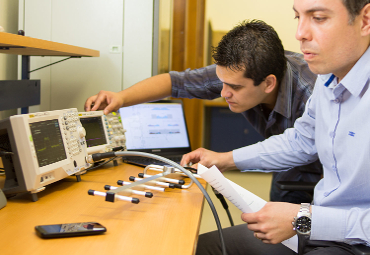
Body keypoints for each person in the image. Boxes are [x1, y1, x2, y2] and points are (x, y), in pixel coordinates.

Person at [194, 0, 370, 254]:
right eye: (298, 17)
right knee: (203, 248)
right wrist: (224, 159)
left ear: (365, 20)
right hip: (320, 228)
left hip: (357, 241)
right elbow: (301, 141)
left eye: (318, 18)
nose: (300, 34)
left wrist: (303, 218)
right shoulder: (329, 77)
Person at [85, 20, 322, 204]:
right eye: (222, 83)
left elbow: (301, 146)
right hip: (286, 174)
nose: (224, 93)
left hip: (328, 178)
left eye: (235, 87)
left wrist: (225, 159)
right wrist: (121, 98)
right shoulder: (236, 71)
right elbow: (175, 82)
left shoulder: (314, 92)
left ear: (268, 83)